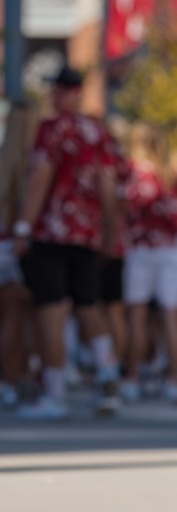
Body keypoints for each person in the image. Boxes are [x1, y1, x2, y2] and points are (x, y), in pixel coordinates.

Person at [15, 65, 120, 420]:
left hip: (52, 231)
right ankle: (108, 374)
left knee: (51, 309)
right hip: (87, 232)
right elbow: (108, 183)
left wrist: (22, 226)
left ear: (58, 91)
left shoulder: (51, 128)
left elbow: (40, 177)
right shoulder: (97, 130)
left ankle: (55, 391)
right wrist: (109, 230)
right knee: (88, 305)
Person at [0, 100, 39, 408]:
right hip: (30, 245)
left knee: (7, 320)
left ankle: (10, 382)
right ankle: (31, 376)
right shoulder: (39, 162)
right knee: (33, 319)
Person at [120, 123, 177, 403]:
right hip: (169, 250)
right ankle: (173, 379)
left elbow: (123, 209)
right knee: (170, 318)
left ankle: (132, 377)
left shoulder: (134, 173)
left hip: (141, 250)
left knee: (137, 317)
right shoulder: (170, 173)